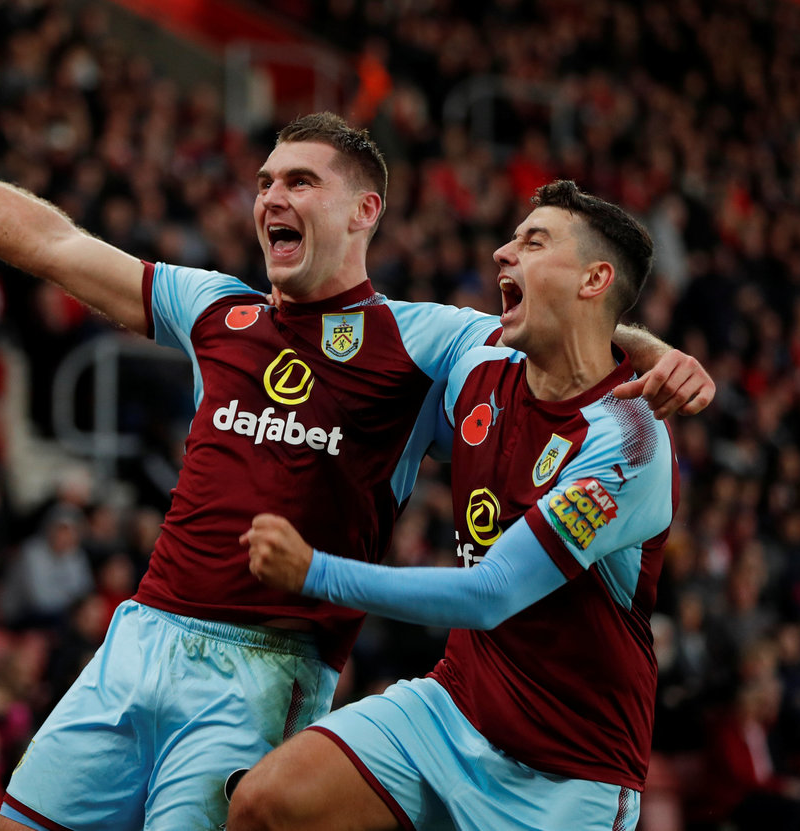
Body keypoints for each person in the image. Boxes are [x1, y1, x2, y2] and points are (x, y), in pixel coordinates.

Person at [0, 84, 713, 831]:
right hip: (138, 636)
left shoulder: (425, 341)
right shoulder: (213, 308)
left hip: (265, 669)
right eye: (264, 182)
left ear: (364, 211)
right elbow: (51, 243)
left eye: (300, 181)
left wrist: (651, 351)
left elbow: (561, 341)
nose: (271, 198)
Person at [233, 181, 685, 830]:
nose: (503, 252)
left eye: (535, 242)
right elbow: (348, 320)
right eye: (513, 237)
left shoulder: (629, 442)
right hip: (450, 709)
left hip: (567, 775)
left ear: (594, 280)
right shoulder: (477, 360)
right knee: (262, 803)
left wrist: (312, 571)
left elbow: (491, 593)